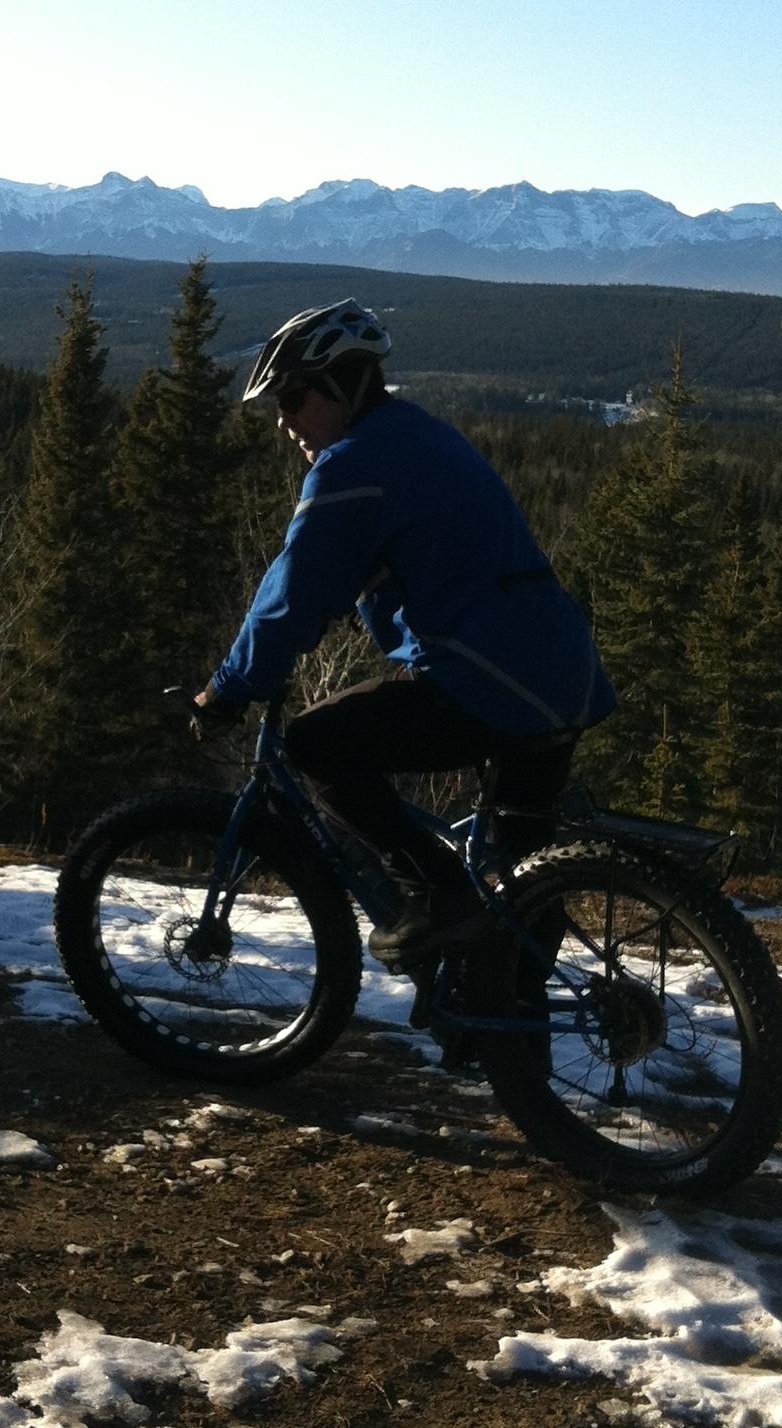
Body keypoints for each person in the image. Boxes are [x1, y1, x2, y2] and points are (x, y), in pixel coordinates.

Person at [193, 299, 614, 967]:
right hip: (561, 675)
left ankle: (433, 894)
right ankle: (506, 1013)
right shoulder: (422, 433)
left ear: (341, 386)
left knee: (316, 743)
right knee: (520, 879)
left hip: (491, 681)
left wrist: (230, 687)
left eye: (293, 398)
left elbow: (294, 591)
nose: (283, 421)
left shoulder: (352, 464)